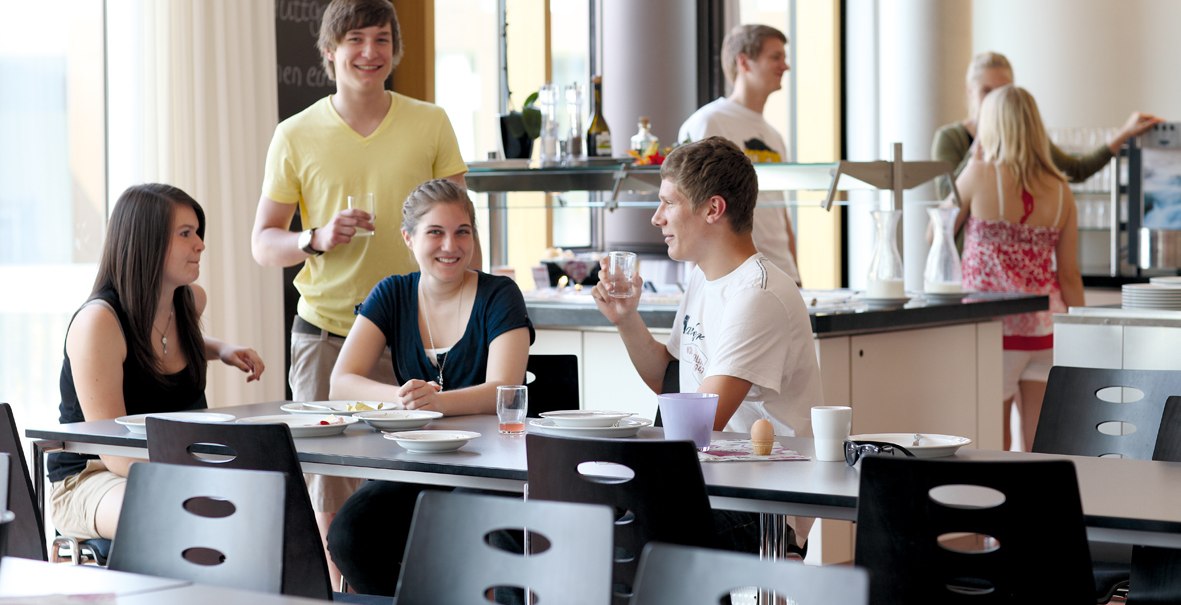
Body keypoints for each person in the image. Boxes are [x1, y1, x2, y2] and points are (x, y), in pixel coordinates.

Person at [249, 0, 470, 581]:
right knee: (331, 486)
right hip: (326, 333)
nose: (370, 53)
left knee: (419, 480)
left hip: (417, 335)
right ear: (330, 51)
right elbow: (263, 244)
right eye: (355, 40)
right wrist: (316, 238)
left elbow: (459, 223)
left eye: (381, 40)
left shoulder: (431, 122)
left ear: (395, 50)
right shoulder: (295, 134)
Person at [592, 137, 822, 556]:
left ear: (713, 209)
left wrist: (616, 443)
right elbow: (669, 377)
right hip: (707, 483)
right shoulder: (703, 276)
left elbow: (699, 423)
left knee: (606, 532)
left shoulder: (757, 295)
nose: (657, 218)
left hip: (760, 504)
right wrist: (626, 319)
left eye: (668, 203)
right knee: (566, 519)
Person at [326, 179, 533, 595]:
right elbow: (340, 383)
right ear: (409, 237)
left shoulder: (500, 294)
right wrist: (402, 397)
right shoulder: (392, 293)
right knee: (351, 533)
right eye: (435, 232)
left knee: (464, 529)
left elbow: (504, 388)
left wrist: (433, 402)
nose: (450, 246)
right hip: (418, 463)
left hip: (496, 470)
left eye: (462, 232)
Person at [47, 183, 265, 540]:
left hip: (173, 466)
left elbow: (160, 347)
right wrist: (202, 475)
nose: (201, 244)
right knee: (175, 510)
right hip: (93, 476)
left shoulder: (190, 302)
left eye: (198, 232)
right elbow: (116, 455)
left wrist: (221, 349)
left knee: (267, 498)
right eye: (186, 234)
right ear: (146, 241)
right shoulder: (98, 323)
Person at [951, 85, 1086, 452]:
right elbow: (1069, 274)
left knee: (994, 444)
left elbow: (936, 231)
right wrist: (1083, 334)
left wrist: (970, 161)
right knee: (1039, 445)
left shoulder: (978, 174)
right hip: (1045, 331)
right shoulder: (1061, 189)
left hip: (994, 329)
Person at [932, 50, 1163, 199]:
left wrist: (1123, 134)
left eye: (1004, 92)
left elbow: (1076, 170)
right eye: (987, 92)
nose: (997, 101)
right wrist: (982, 142)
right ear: (969, 91)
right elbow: (946, 196)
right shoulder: (951, 138)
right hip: (964, 259)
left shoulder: (1025, 135)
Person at [678, 24, 801, 285]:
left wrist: (796, 274)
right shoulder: (708, 122)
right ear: (744, 62)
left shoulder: (774, 136)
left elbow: (781, 213)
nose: (785, 66)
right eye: (775, 57)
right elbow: (690, 204)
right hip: (734, 277)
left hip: (781, 273)